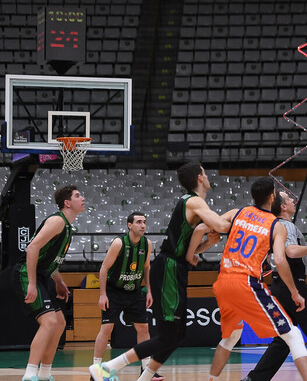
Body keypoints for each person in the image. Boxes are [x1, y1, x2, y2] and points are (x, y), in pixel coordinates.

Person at [89, 162, 233, 381]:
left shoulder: (196, 204)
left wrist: (206, 244)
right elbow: (223, 226)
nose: (207, 176)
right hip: (168, 268)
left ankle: (143, 377)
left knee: (177, 334)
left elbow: (189, 257)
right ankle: (107, 367)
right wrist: (241, 215)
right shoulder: (193, 201)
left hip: (177, 267)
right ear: (200, 178)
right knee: (169, 334)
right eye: (205, 173)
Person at [198, 177, 307, 381]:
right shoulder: (276, 225)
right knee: (293, 334)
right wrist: (295, 292)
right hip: (246, 282)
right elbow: (280, 260)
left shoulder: (238, 213)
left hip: (223, 280)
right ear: (271, 197)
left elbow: (204, 227)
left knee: (230, 337)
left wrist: (196, 250)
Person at [240, 190, 307, 381]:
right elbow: (290, 252)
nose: (292, 200)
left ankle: (254, 379)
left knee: (284, 340)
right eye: (288, 198)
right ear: (283, 206)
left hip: (278, 286)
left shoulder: (273, 227)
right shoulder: (286, 227)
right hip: (293, 286)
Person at [12, 185, 85, 381]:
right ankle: (29, 374)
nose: (82, 198)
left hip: (42, 276)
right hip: (26, 273)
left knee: (60, 323)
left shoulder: (67, 227)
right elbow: (32, 248)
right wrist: (32, 284)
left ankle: (44, 374)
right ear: (67, 203)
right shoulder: (57, 221)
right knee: (49, 321)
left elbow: (50, 260)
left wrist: (59, 281)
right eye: (78, 196)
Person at [92, 212, 163, 381]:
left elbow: (146, 268)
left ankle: (146, 371)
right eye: (139, 222)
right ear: (129, 225)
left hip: (135, 291)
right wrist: (102, 295)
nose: (143, 225)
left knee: (143, 328)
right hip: (114, 290)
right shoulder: (119, 243)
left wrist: (149, 291)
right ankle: (96, 372)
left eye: (144, 222)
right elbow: (104, 268)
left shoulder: (148, 244)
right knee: (107, 329)